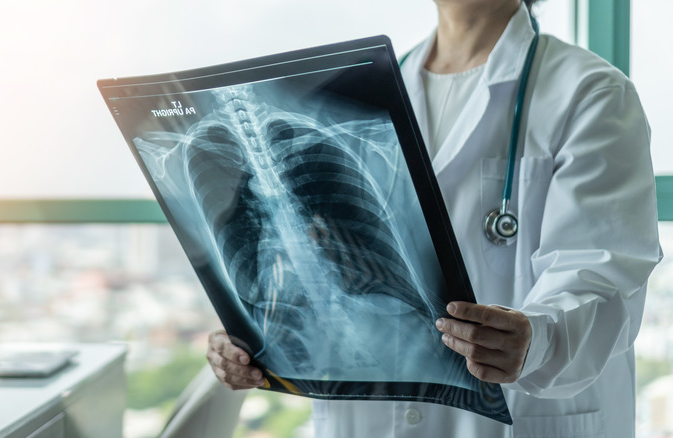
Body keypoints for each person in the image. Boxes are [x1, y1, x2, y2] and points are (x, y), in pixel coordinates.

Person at [206, 0, 663, 436]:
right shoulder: (362, 98)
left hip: (525, 419)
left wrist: (537, 340)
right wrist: (255, 336)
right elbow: (328, 275)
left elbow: (603, 277)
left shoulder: (589, 93)